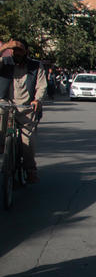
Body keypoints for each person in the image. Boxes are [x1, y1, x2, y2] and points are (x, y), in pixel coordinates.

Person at [0, 38, 47, 183]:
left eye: (19, 50)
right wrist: (3, 49)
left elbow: (41, 86)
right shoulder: (5, 62)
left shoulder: (35, 66)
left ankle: (30, 170)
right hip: (5, 105)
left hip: (27, 108)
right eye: (14, 50)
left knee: (27, 141)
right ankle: (6, 157)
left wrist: (37, 100)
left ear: (26, 51)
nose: (16, 53)